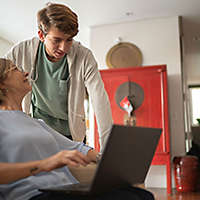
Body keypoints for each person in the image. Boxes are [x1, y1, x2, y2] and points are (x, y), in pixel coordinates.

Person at [0, 58, 155, 200]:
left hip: (64, 189)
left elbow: (78, 147)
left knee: (140, 195)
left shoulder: (37, 123)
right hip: (32, 195)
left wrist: (109, 161)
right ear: (1, 83)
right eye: (14, 69)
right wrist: (44, 164)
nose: (25, 72)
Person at [4, 2, 112, 151]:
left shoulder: (84, 56)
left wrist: (107, 147)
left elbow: (99, 99)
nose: (64, 47)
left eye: (69, 40)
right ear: (42, 35)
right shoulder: (22, 51)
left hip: (70, 135)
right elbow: (2, 74)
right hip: (37, 131)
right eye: (57, 40)